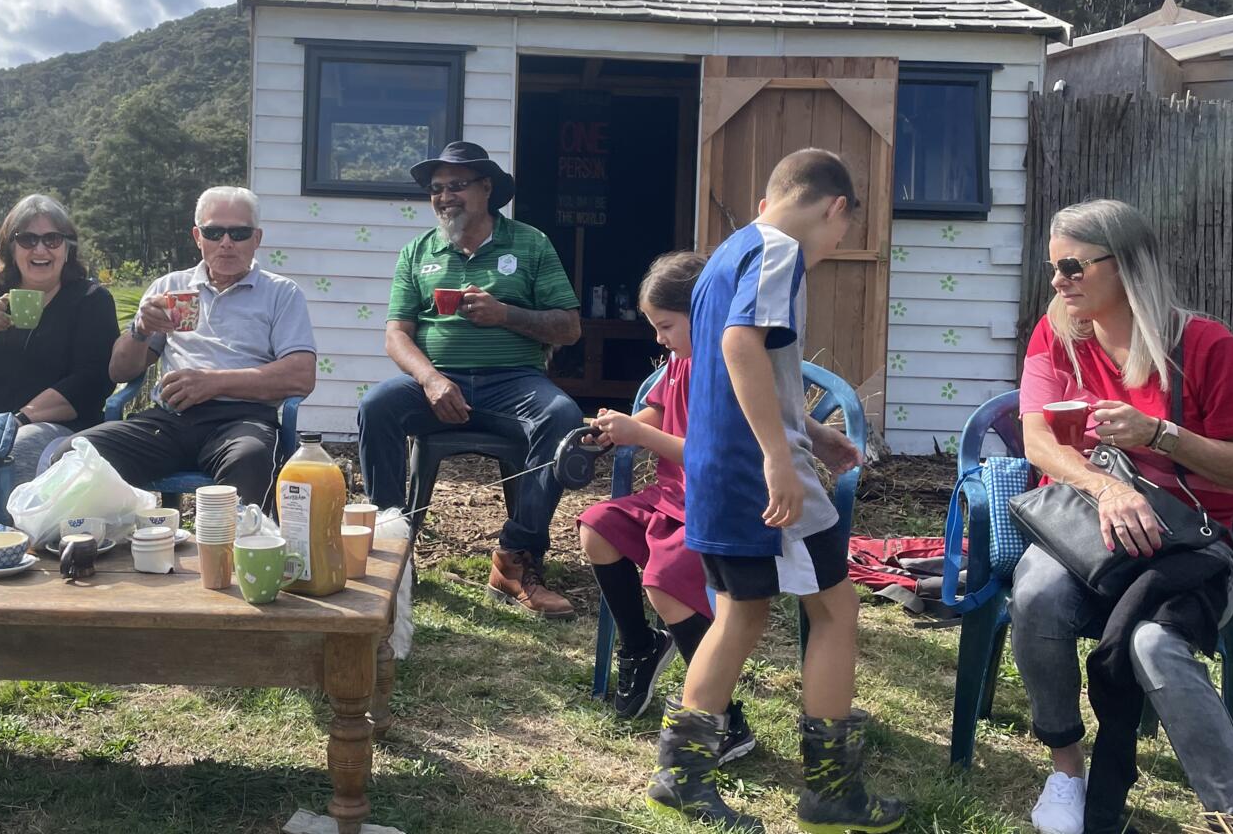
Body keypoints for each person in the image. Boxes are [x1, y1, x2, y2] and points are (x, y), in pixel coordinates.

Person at [1010, 199, 1233, 834]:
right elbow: (1038, 441)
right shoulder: (1058, 333)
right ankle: (1066, 771)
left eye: (1074, 266)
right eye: (1053, 267)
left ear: (1126, 265)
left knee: (1154, 643)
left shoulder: (1208, 348)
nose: (1060, 282)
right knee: (1036, 592)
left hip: (1186, 545)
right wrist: (1107, 488)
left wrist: (1160, 436)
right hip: (1082, 532)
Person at [649, 149, 901, 834]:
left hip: (716, 468)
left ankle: (683, 772)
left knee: (741, 614)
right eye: (842, 234)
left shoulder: (730, 251)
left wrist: (813, 432)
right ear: (835, 207)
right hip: (759, 476)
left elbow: (746, 366)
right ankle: (829, 791)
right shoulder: (782, 251)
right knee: (836, 610)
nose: (835, 245)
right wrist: (779, 460)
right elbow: (738, 347)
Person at [358, 141, 583, 618]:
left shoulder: (530, 243)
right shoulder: (418, 251)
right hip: (440, 382)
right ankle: (389, 550)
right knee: (377, 406)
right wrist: (432, 380)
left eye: (456, 186)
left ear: (487, 189)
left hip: (513, 383)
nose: (444, 197)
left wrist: (506, 314)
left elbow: (569, 327)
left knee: (563, 416)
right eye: (436, 189)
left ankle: (515, 559)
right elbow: (396, 336)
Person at [580, 251, 748, 734]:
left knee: (664, 582)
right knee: (597, 527)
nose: (659, 338)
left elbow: (709, 454)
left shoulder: (727, 368)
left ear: (705, 311)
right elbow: (657, 411)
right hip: (670, 494)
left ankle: (723, 714)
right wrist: (623, 428)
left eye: (666, 325)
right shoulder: (680, 358)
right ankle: (640, 646)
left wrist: (641, 436)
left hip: (714, 502)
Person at [70, 186, 315, 510]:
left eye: (239, 233)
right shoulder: (169, 287)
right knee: (76, 454)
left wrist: (213, 382)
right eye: (214, 232)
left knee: (252, 459)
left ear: (256, 238)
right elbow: (120, 370)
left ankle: (229, 556)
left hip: (242, 420)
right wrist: (140, 329)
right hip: (169, 420)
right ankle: (114, 548)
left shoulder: (281, 293)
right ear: (198, 237)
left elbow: (301, 375)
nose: (226, 242)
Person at [0, 195, 119, 483]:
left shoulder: (90, 300)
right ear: (11, 248)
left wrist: (19, 420)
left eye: (52, 239)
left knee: (14, 453)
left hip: (51, 427)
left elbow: (92, 382)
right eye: (27, 239)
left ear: (68, 248)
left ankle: (9, 529)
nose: (40, 248)